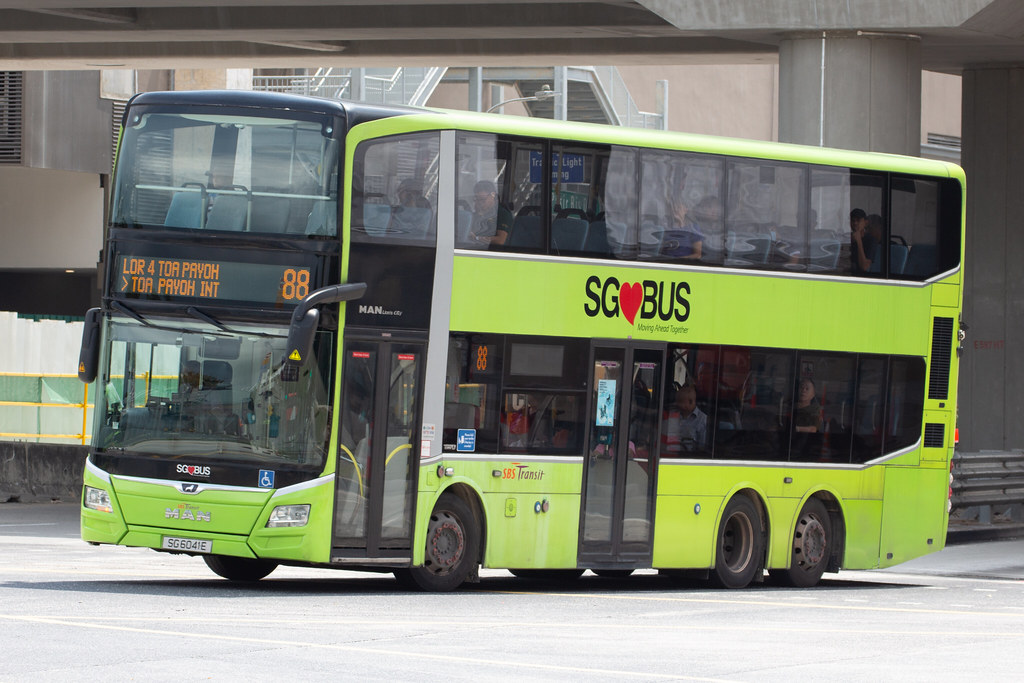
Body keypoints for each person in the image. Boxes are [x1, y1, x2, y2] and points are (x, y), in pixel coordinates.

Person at [661, 384, 707, 454]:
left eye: (680, 402)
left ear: (690, 402)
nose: (676, 404)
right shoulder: (673, 414)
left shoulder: (702, 420)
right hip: (670, 453)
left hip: (690, 456)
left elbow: (702, 446)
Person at [468, 180, 512, 245]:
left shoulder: (502, 213)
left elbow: (500, 240)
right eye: (476, 199)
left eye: (482, 200)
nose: (479, 203)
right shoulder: (476, 213)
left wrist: (477, 238)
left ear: (492, 195)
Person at [660, 195, 704, 259]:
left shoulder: (693, 228)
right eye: (672, 207)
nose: (675, 210)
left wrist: (678, 260)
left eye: (678, 207)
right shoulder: (664, 227)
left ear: (686, 209)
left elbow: (697, 255)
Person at [849, 208, 878, 274]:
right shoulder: (847, 238)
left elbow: (864, 267)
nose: (855, 223)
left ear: (866, 223)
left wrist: (859, 241)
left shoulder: (871, 240)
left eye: (858, 220)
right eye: (853, 221)